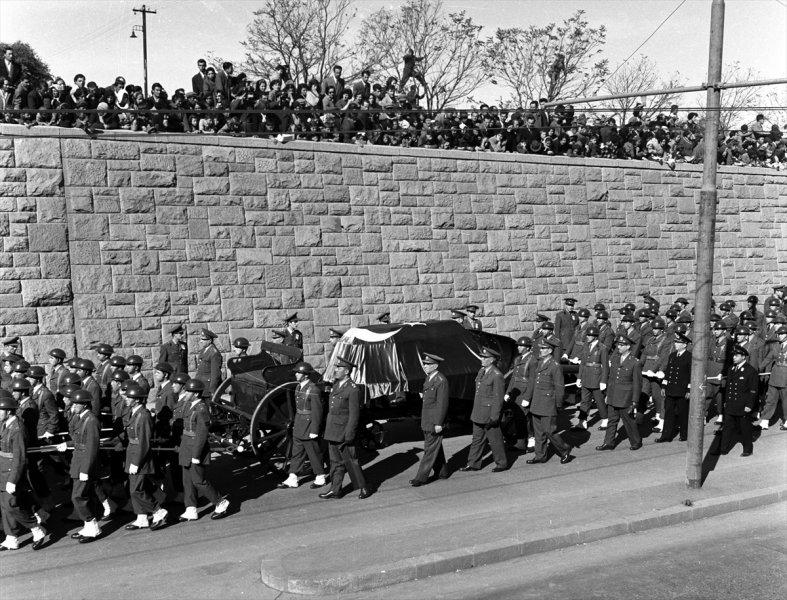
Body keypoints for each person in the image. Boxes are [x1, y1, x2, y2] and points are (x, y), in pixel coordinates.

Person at [0, 391, 50, 551]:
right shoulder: (5, 424)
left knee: (11, 504)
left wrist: (13, 480)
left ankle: (36, 528)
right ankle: (11, 537)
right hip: (3, 469)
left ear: (8, 411)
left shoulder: (18, 429)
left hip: (12, 471)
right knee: (4, 505)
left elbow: (19, 458)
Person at [178, 379, 229, 521]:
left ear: (195, 394)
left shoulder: (201, 409)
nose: (186, 392)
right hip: (186, 446)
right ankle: (190, 508)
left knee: (198, 480)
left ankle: (220, 502)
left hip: (195, 448)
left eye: (188, 391)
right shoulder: (189, 405)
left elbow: (201, 434)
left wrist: (196, 454)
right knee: (187, 481)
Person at [319, 357, 369, 500]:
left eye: (339, 368)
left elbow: (354, 415)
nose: (336, 370)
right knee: (335, 463)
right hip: (332, 431)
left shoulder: (352, 389)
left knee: (351, 461)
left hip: (344, 432)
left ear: (346, 372)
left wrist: (350, 433)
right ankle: (335, 489)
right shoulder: (336, 385)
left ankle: (363, 487)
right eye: (336, 367)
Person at [123, 382, 169, 531]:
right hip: (133, 454)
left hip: (140, 457)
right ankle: (141, 517)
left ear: (136, 399)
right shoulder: (135, 412)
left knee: (136, 490)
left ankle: (158, 511)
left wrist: (136, 462)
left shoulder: (143, 415)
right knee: (133, 487)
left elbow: (144, 442)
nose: (126, 399)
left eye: (129, 397)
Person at [58, 389, 102, 542]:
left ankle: (92, 525)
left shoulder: (91, 421)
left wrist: (85, 469)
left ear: (84, 404)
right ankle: (88, 525)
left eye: (77, 403)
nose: (74, 405)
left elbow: (91, 448)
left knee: (77, 496)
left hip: (85, 464)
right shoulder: (81, 418)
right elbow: (79, 440)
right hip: (78, 461)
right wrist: (67, 444)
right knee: (85, 496)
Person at [523, 339, 573, 464]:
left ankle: (564, 449)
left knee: (550, 430)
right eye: (540, 348)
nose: (540, 350)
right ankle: (540, 455)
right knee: (539, 432)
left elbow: (559, 387)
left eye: (543, 348)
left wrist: (558, 404)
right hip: (537, 402)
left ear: (550, 350)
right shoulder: (539, 363)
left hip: (548, 403)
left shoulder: (554, 366)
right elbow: (533, 382)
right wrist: (527, 399)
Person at [279, 362, 326, 489]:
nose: (296, 374)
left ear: (305, 375)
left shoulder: (314, 389)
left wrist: (315, 430)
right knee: (297, 453)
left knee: (313, 453)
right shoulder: (298, 387)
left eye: (298, 372)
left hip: (309, 425)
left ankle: (320, 476)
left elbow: (317, 411)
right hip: (300, 424)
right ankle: (293, 477)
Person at [461, 347, 508, 472]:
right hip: (478, 412)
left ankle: (501, 463)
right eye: (482, 356)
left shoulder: (497, 375)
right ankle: (473, 463)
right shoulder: (482, 371)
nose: (482, 359)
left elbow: (498, 398)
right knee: (477, 439)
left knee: (495, 440)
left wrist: (494, 417)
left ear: (492, 360)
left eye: (485, 357)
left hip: (489, 414)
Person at [597, 335, 642, 451]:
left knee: (628, 421)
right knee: (612, 420)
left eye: (622, 345)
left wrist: (634, 401)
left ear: (628, 347)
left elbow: (637, 384)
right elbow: (611, 379)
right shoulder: (615, 359)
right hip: (613, 395)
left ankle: (636, 441)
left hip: (626, 397)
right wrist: (607, 395)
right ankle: (608, 442)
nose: (619, 347)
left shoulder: (635, 362)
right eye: (618, 344)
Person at [410, 353, 450, 486]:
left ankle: (421, 477)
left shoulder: (440, 380)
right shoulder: (429, 378)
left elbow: (442, 404)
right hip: (427, 419)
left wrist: (439, 423)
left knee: (429, 449)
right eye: (424, 364)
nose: (425, 366)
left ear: (435, 365)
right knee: (434, 447)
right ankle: (443, 472)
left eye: (427, 364)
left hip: (434, 421)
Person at [716, 346, 758, 456]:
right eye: (733, 355)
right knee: (727, 428)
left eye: (737, 355)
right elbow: (729, 387)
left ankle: (748, 449)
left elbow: (753, 390)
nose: (734, 357)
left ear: (743, 357)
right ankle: (723, 449)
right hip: (731, 404)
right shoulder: (731, 369)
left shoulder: (750, 371)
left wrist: (749, 405)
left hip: (743, 405)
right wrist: (726, 401)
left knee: (745, 428)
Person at [656, 332, 692, 443]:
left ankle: (684, 434)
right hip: (671, 389)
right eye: (676, 342)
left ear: (685, 344)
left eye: (678, 342)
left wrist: (689, 390)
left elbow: (691, 375)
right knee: (669, 413)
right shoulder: (672, 355)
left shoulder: (689, 357)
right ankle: (666, 436)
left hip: (682, 390)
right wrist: (664, 386)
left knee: (683, 413)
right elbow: (668, 372)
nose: (676, 344)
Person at [575, 325, 609, 430]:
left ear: (595, 336)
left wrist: (603, 381)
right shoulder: (586, 346)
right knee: (584, 401)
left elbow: (605, 366)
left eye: (590, 335)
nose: (588, 337)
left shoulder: (602, 348)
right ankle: (582, 422)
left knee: (599, 401)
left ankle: (605, 419)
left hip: (596, 378)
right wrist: (579, 378)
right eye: (587, 335)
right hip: (586, 377)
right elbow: (583, 363)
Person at [504, 337, 535, 451]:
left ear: (527, 348)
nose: (519, 347)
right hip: (516, 392)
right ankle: (520, 442)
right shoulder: (518, 359)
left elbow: (532, 381)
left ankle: (532, 439)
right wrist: (508, 392)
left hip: (524, 392)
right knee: (518, 417)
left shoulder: (532, 360)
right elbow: (513, 378)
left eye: (521, 346)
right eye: (518, 346)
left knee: (526, 418)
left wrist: (527, 397)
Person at [760, 325, 787, 430]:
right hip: (775, 376)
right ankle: (765, 421)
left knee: (785, 400)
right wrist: (758, 368)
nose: (780, 336)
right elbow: (768, 358)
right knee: (770, 399)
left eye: (782, 334)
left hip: (785, 377)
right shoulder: (776, 346)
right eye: (779, 334)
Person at [194, 329, 222, 399]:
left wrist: (212, 390)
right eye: (201, 339)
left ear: (209, 341)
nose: (201, 341)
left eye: (203, 340)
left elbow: (215, 374)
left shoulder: (214, 353)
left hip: (207, 387)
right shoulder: (204, 350)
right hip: (201, 385)